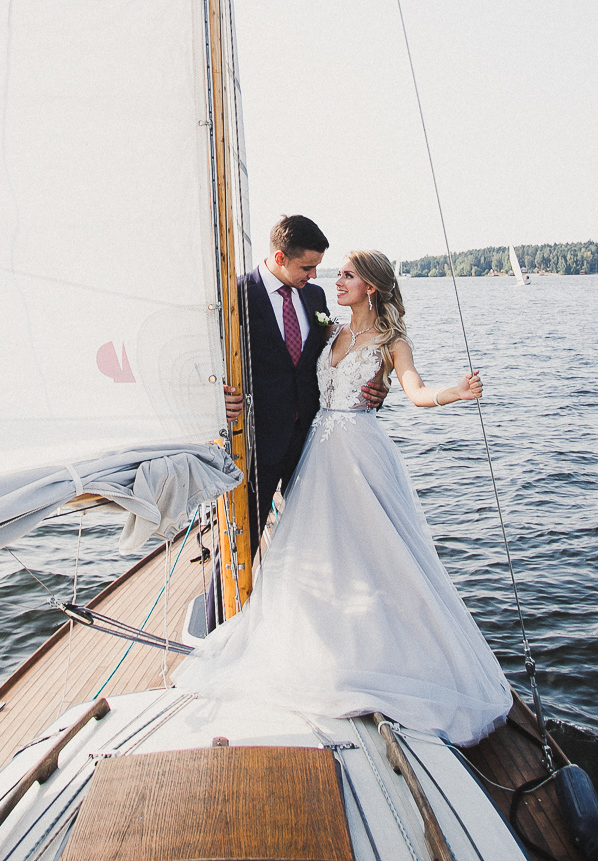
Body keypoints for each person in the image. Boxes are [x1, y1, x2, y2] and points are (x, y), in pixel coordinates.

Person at [179, 248, 511, 746]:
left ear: (370, 286)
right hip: (317, 449)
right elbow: (284, 370)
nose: (336, 280)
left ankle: (382, 652)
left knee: (376, 553)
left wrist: (456, 392)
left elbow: (415, 392)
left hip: (360, 449)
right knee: (314, 551)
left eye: (348, 275)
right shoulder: (327, 327)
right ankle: (324, 643)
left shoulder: (392, 341)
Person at [226, 216, 385, 536]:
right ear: (280, 258)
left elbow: (331, 342)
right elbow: (208, 360)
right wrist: (216, 397)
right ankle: (221, 588)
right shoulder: (237, 296)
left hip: (313, 439)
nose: (314, 275)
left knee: (316, 530)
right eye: (307, 267)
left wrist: (377, 378)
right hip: (258, 440)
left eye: (317, 267)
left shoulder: (314, 298)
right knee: (246, 531)